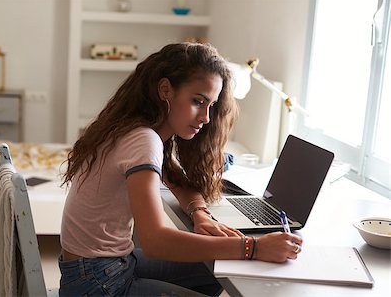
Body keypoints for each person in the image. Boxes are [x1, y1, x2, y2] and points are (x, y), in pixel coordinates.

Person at [59, 42, 303, 296]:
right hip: (98, 282)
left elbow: (179, 182)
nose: (206, 117)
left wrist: (200, 212)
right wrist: (252, 247)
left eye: (211, 105)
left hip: (97, 269)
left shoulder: (135, 128)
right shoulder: (144, 139)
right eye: (198, 101)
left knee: (216, 266)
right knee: (226, 260)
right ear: (165, 89)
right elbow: (155, 241)